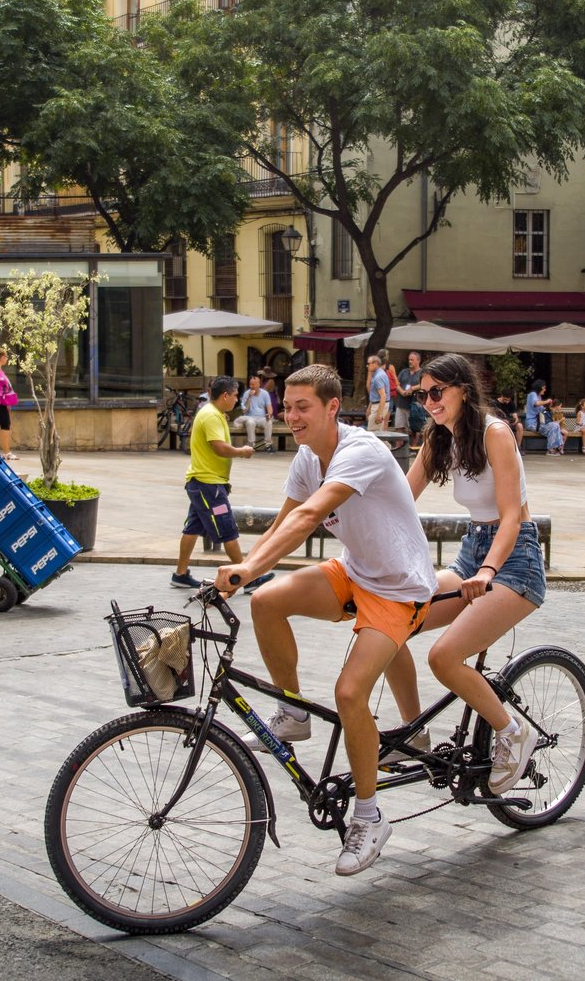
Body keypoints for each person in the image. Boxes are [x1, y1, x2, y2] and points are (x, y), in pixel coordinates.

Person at [214, 364, 438, 878]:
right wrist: (248, 571)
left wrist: (248, 566)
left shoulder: (358, 452)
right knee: (267, 602)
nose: (290, 416)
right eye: (286, 407)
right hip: (356, 572)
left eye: (302, 408)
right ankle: (293, 716)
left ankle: (368, 817)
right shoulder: (306, 457)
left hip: (398, 588)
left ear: (332, 407)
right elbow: (284, 519)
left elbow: (309, 516)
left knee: (349, 693)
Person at [382, 352, 543, 800]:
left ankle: (513, 731)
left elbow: (512, 516)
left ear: (463, 391)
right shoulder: (439, 437)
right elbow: (399, 497)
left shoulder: (495, 433)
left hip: (515, 560)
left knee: (444, 657)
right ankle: (414, 732)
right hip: (472, 552)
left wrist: (489, 569)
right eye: (422, 393)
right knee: (387, 623)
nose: (429, 401)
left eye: (437, 392)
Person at [171, 376, 273, 591]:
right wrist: (242, 452)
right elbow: (219, 447)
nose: (237, 399)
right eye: (235, 395)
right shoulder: (212, 416)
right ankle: (247, 578)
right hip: (209, 485)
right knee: (228, 529)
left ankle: (180, 574)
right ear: (225, 395)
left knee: (192, 528)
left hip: (201, 482)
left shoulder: (211, 413)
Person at [525, 381, 565, 455]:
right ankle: (551, 449)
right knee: (554, 426)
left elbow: (542, 410)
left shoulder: (539, 397)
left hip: (540, 423)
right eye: (544, 388)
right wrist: (547, 401)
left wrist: (550, 407)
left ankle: (558, 446)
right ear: (539, 388)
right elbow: (536, 403)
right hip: (532, 423)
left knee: (555, 424)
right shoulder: (532, 394)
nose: (545, 390)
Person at [239, 373, 276, 451]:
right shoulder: (246, 394)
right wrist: (249, 397)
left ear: (259, 384)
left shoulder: (265, 394)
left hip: (261, 418)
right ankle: (251, 445)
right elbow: (244, 410)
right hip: (249, 417)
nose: (251, 386)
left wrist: (269, 414)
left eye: (253, 384)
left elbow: (269, 407)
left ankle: (268, 445)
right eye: (250, 384)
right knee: (250, 422)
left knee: (268, 422)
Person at [365, 354, 390, 432]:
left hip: (379, 406)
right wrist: (369, 408)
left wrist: (378, 414)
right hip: (378, 405)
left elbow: (383, 396)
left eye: (369, 363)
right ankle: (386, 445)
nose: (367, 366)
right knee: (378, 432)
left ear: (375, 363)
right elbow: (375, 395)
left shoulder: (378, 377)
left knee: (372, 432)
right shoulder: (378, 374)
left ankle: (387, 445)